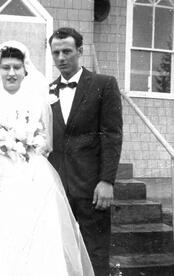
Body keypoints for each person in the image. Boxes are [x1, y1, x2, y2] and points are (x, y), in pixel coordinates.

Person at [0, 40, 94, 276]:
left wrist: (30, 143)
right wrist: (5, 146)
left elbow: (45, 140)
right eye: (6, 67)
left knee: (37, 239)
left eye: (16, 67)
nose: (11, 73)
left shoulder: (37, 100)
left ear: (25, 70)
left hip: (32, 176)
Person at [48, 27, 123, 276]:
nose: (61, 58)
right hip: (57, 185)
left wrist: (106, 180)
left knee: (95, 250)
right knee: (58, 250)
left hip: (91, 185)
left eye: (67, 51)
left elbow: (112, 135)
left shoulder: (104, 84)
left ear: (80, 51)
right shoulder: (46, 90)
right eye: (56, 52)